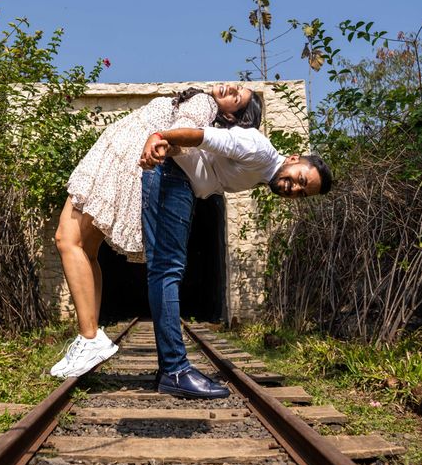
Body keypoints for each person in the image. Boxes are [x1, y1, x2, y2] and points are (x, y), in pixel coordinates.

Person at [50, 84, 263, 378]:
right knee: (85, 250)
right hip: (119, 157)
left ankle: (89, 338)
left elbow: (183, 130)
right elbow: (181, 135)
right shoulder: (203, 102)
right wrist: (168, 145)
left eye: (236, 97)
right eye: (238, 87)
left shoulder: (204, 103)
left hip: (119, 161)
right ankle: (90, 335)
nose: (231, 89)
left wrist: (164, 144)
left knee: (67, 239)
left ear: (229, 117)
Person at [138, 125, 332, 398]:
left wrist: (167, 146)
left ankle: (170, 368)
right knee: (166, 270)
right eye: (300, 178)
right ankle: (175, 370)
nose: (294, 188)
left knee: (165, 269)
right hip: (174, 177)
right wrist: (160, 137)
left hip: (178, 178)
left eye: (301, 192)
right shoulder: (260, 150)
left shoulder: (263, 172)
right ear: (293, 158)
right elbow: (203, 136)